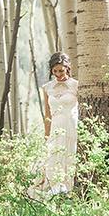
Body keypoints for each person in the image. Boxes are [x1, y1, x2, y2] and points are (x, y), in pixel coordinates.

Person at [38, 51, 78, 195]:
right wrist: (46, 134)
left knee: (70, 155)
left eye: (61, 70)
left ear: (67, 68)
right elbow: (47, 113)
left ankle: (70, 187)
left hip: (71, 125)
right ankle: (54, 187)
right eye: (55, 71)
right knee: (54, 156)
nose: (58, 74)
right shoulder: (47, 87)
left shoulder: (75, 85)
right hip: (55, 126)